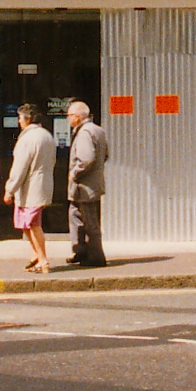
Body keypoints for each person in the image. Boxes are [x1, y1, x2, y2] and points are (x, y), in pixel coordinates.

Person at [3, 103, 56, 273]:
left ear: (28, 119)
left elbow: (20, 167)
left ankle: (43, 260)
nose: (19, 121)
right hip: (43, 184)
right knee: (27, 223)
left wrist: (9, 189)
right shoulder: (47, 135)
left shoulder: (27, 139)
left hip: (31, 187)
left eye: (20, 118)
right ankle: (36, 255)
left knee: (32, 224)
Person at [65, 100, 109, 267]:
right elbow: (105, 155)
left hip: (84, 185)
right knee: (75, 215)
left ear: (77, 117)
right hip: (92, 184)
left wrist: (74, 173)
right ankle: (80, 251)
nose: (68, 119)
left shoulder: (84, 133)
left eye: (69, 115)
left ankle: (96, 257)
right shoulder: (98, 130)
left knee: (89, 221)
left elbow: (86, 159)